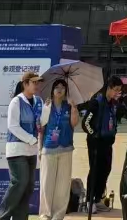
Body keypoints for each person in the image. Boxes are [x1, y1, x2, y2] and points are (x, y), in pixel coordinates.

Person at [0, 71, 43, 220]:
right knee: (19, 183)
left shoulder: (39, 101)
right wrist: (31, 139)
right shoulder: (16, 102)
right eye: (33, 82)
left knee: (28, 187)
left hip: (31, 151)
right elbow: (13, 126)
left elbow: (41, 122)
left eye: (37, 82)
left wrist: (48, 109)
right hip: (17, 150)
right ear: (25, 84)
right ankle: (1, 216)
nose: (36, 85)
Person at [80, 75, 123, 216]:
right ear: (109, 88)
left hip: (107, 142)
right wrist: (94, 134)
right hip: (95, 142)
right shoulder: (96, 102)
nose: (117, 93)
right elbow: (85, 123)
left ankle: (98, 198)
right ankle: (89, 201)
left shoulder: (112, 104)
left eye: (119, 90)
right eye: (116, 90)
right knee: (95, 170)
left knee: (106, 169)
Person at [40, 78, 79, 220]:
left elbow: (74, 124)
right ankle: (45, 213)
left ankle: (58, 214)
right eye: (57, 86)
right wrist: (39, 149)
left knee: (63, 185)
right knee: (46, 183)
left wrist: (74, 107)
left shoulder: (68, 106)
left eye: (63, 87)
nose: (60, 89)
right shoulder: (46, 105)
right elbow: (41, 128)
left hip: (66, 147)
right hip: (49, 147)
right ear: (52, 90)